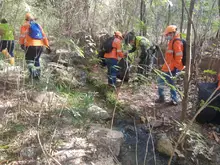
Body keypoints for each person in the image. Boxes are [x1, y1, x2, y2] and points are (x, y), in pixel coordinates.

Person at [156, 25, 184, 105]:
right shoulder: (172, 41)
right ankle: (167, 98)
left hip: (172, 68)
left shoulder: (176, 42)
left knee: (167, 83)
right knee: (166, 82)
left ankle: (173, 100)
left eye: (167, 34)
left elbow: (179, 56)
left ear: (172, 33)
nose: (166, 36)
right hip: (168, 67)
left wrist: (175, 68)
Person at [19, 13, 51, 79]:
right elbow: (44, 36)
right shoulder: (38, 25)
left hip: (30, 46)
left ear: (26, 19)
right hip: (40, 46)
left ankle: (33, 75)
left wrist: (21, 44)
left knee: (29, 60)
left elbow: (22, 36)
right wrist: (47, 45)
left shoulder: (24, 25)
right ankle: (37, 76)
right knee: (36, 60)